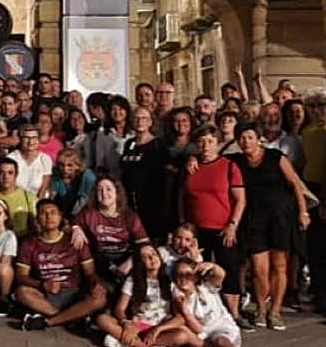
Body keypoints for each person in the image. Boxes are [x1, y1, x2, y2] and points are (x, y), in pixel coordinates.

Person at [234, 121, 310, 331]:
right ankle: (260, 307)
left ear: (258, 138)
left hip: (280, 218)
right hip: (254, 220)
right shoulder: (236, 161)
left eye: (249, 137)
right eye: (241, 137)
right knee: (259, 269)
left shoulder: (276, 157)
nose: (245, 141)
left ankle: (275, 311)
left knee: (280, 266)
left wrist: (303, 211)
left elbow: (295, 183)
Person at [179, 124, 245, 320]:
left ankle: (233, 313)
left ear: (217, 143)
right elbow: (182, 197)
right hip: (197, 229)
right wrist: (183, 223)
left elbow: (240, 199)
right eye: (201, 142)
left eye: (210, 141)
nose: (205, 146)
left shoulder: (229, 166)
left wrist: (233, 224)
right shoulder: (191, 167)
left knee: (229, 269)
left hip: (223, 228)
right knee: (197, 270)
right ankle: (201, 312)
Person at [16, 199, 107, 331]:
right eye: (44, 213)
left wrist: (95, 283)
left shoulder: (74, 240)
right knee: (22, 292)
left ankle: (48, 322)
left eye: (53, 212)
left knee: (100, 299)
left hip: (73, 294)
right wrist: (42, 284)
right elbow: (20, 276)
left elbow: (90, 272)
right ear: (38, 219)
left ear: (60, 216)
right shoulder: (29, 244)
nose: (49, 217)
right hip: (46, 295)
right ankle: (72, 319)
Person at [300, 86, 326, 315]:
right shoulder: (307, 132)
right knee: (315, 250)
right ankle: (322, 296)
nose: (317, 111)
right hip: (311, 191)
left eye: (321, 106)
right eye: (312, 106)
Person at [150, 259, 246, 347]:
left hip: (224, 328)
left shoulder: (206, 287)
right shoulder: (178, 299)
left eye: (188, 274)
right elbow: (199, 329)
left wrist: (213, 266)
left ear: (195, 277)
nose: (183, 278)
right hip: (205, 337)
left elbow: (220, 275)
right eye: (179, 275)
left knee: (221, 341)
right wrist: (185, 310)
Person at [95, 243, 177, 347]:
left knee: (181, 336)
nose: (152, 258)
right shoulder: (133, 280)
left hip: (157, 330)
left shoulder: (169, 282)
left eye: (154, 254)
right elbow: (120, 308)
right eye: (146, 257)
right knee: (102, 319)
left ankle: (125, 342)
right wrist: (126, 323)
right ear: (140, 262)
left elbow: (176, 314)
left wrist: (159, 329)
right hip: (136, 326)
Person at [75, 176, 149, 286]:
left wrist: (129, 263)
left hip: (125, 258)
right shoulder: (89, 213)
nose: (104, 194)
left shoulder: (129, 216)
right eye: (100, 190)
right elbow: (70, 222)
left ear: (117, 192)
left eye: (108, 189)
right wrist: (75, 228)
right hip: (100, 260)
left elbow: (144, 244)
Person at [120, 106, 170, 243]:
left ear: (150, 122)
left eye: (144, 118)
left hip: (152, 202)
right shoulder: (129, 144)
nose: (140, 121)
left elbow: (166, 175)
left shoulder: (158, 144)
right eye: (136, 118)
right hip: (130, 201)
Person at [0, 157, 37, 238]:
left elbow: (36, 227)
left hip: (22, 242)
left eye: (10, 173)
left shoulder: (28, 196)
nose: (6, 177)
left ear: (16, 174)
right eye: (1, 173)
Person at [89, 95, 132, 179]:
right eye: (114, 109)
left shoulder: (133, 131)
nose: (117, 112)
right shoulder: (103, 132)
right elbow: (100, 159)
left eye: (121, 109)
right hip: (111, 175)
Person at [7, 125, 53, 198]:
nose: (30, 141)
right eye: (26, 138)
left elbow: (44, 188)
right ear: (21, 139)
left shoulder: (45, 159)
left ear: (39, 140)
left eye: (34, 138)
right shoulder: (12, 158)